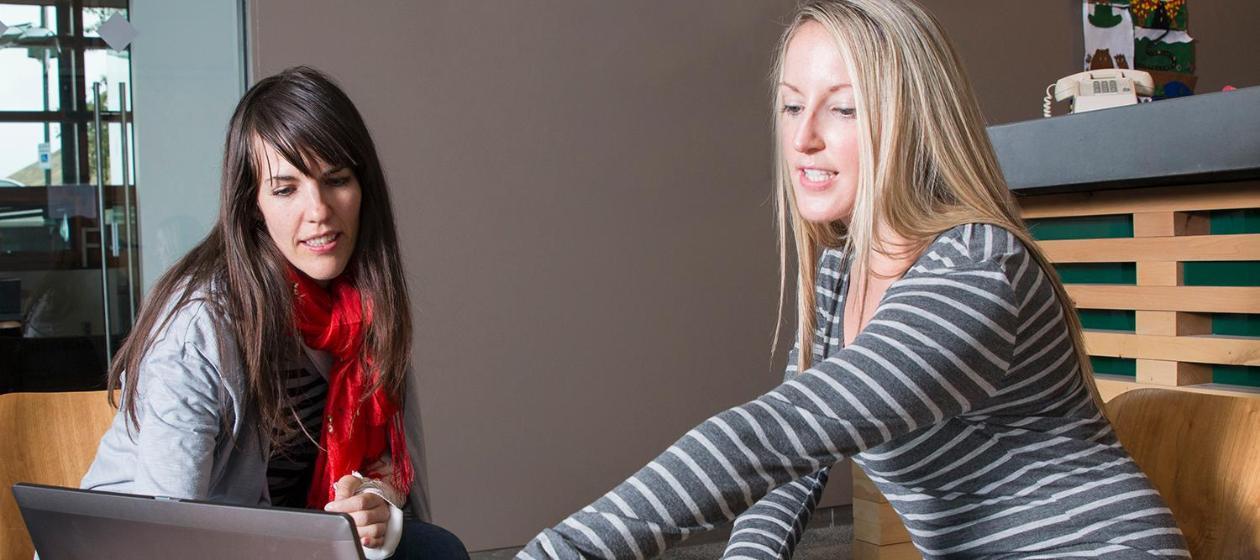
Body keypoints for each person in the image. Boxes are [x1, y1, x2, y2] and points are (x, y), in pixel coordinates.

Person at [517, 1, 1188, 558]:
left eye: (842, 108)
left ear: (911, 121)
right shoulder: (842, 274)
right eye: (790, 106)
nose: (804, 136)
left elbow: (779, 432)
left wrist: (562, 551)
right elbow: (789, 469)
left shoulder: (976, 268)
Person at [81, 66, 468, 560]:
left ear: (363, 188)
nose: (320, 210)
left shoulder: (366, 308)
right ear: (252, 205)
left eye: (336, 180)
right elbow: (170, 532)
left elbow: (389, 477)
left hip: (280, 538)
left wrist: (374, 505)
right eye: (286, 189)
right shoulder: (201, 325)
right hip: (138, 548)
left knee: (435, 551)